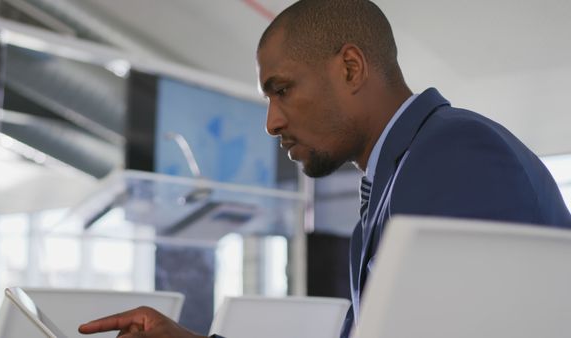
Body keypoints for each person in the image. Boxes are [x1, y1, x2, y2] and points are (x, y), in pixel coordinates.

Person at [78, 0, 571, 337]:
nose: (271, 122)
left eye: (282, 89)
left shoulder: (455, 153)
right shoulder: (395, 182)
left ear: (351, 68)